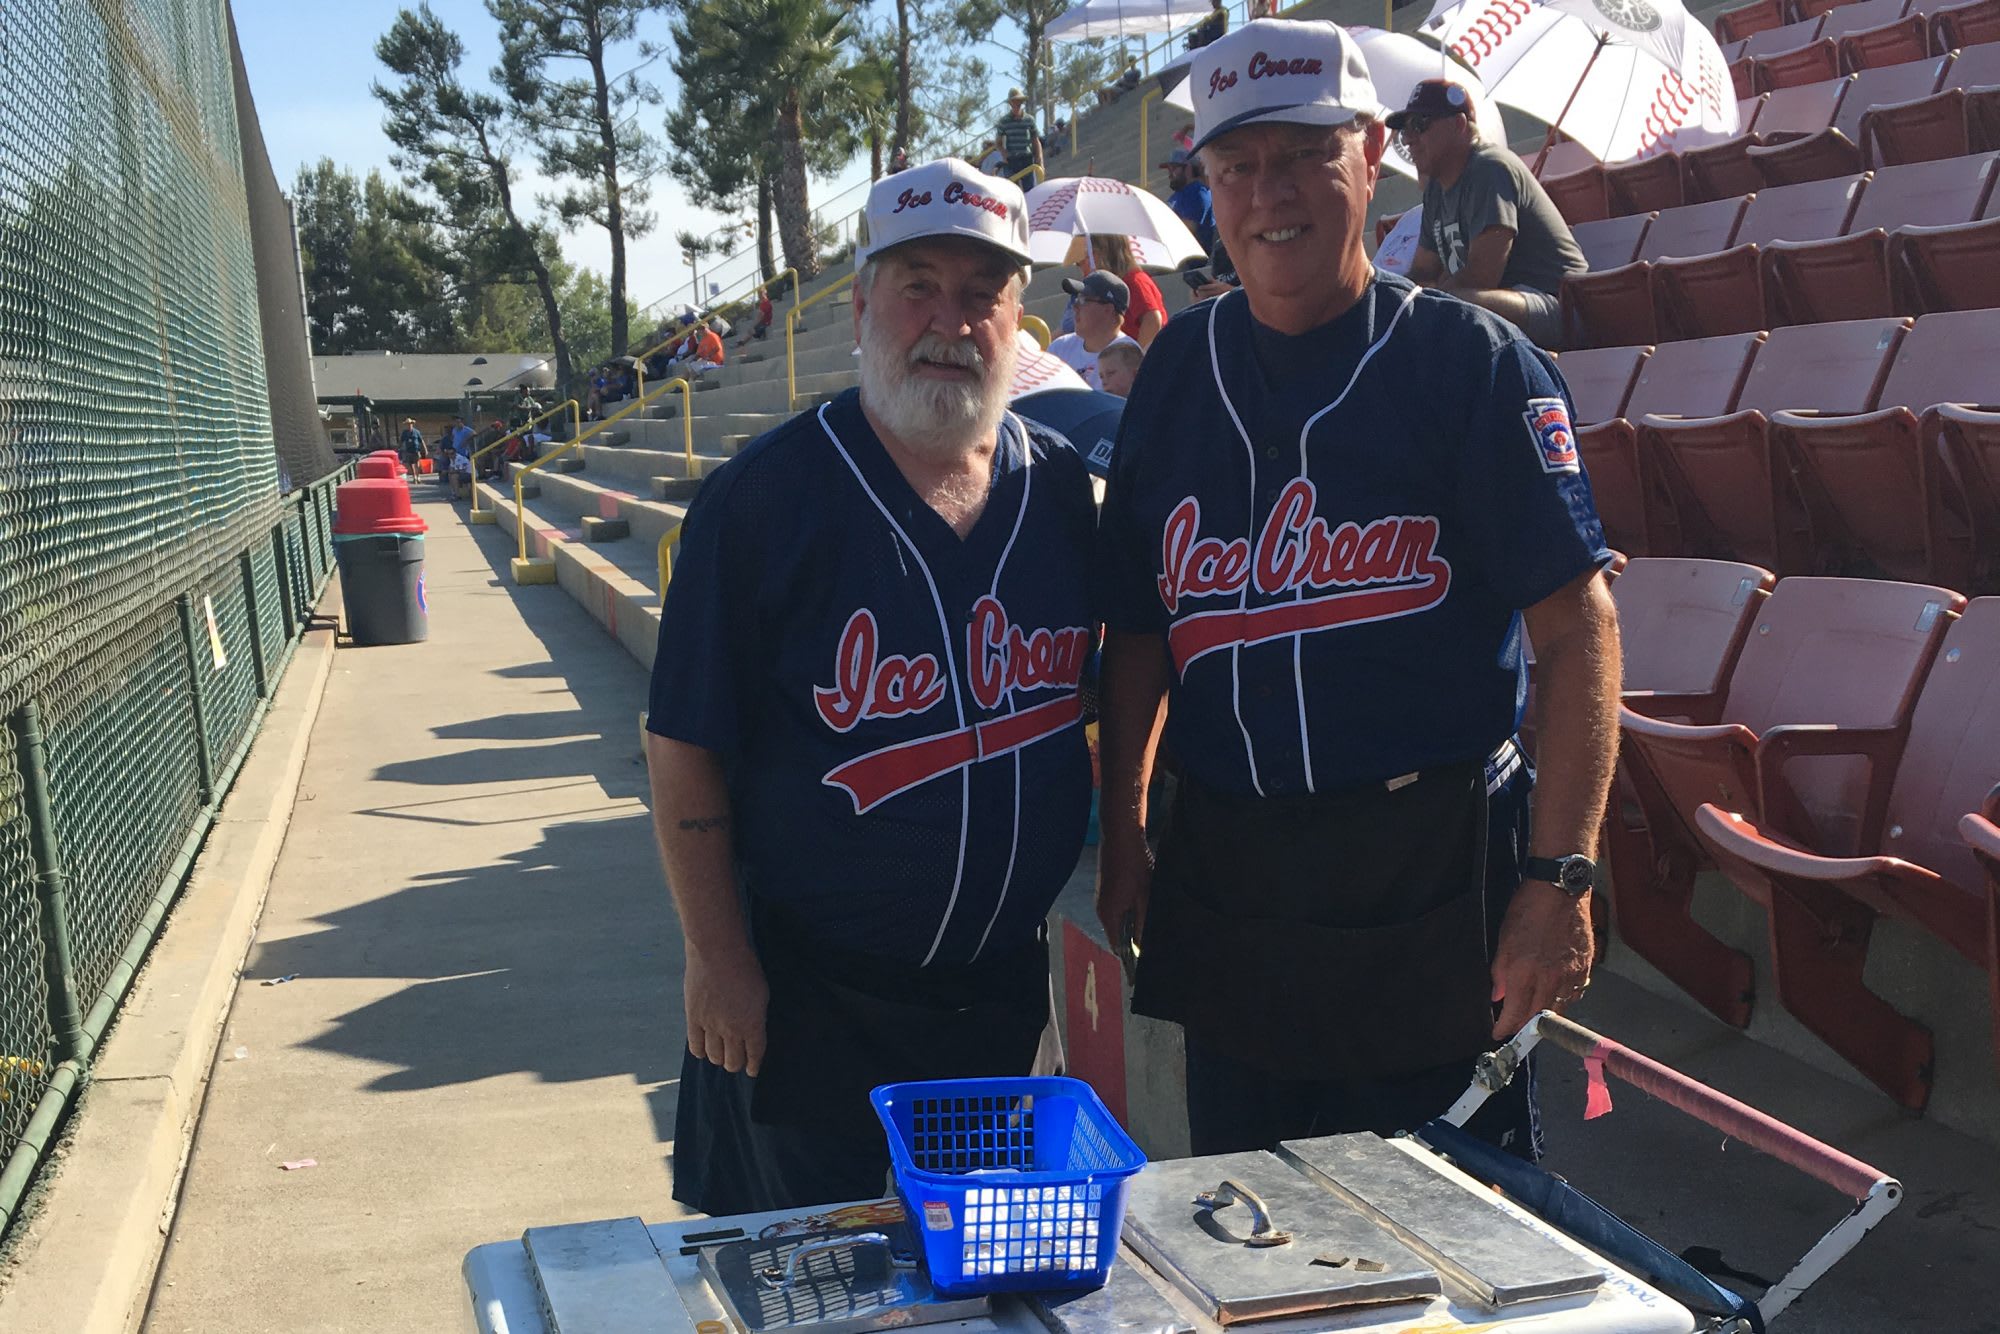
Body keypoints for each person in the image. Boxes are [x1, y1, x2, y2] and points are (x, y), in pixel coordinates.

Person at [1097, 19, 1620, 1160]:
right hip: (1231, 866)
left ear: (1370, 149)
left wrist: (1558, 878)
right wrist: (1125, 824)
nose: (1264, 193)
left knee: (1450, 1233)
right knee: (1243, 1224)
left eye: (1300, 156)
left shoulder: (1472, 365)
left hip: (1428, 865)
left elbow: (1577, 636)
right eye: (1234, 166)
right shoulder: (1176, 369)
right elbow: (1137, 631)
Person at [644, 157, 1099, 1216]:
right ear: (858, 304)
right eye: (917, 283)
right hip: (804, 993)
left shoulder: (1064, 493)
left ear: (1016, 316)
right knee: (807, 1279)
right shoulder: (761, 499)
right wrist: (715, 955)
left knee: (987, 1283)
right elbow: (682, 745)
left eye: (981, 290)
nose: (949, 318)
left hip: (993, 992)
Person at [1392, 80, 1588, 349]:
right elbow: (1422, 271)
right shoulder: (1436, 190)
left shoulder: (1489, 168)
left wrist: (1427, 298)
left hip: (1558, 307)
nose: (1410, 138)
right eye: (1405, 130)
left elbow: (1481, 276)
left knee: (1449, 306)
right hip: (1494, 305)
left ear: (1459, 125)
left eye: (1420, 124)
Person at [1049, 272, 1141, 391]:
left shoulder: (1129, 356)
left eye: (1083, 300)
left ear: (1108, 310)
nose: (1075, 307)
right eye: (1075, 299)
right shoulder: (1059, 348)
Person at [1088, 234, 1167, 349]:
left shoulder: (1134, 281)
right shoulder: (1123, 282)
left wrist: (1138, 359)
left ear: (1105, 253)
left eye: (1092, 252)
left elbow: (1152, 320)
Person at [1161, 148, 1217, 255]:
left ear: (1188, 168)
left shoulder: (1198, 192)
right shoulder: (1178, 195)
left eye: (1173, 168)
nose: (1170, 174)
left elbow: (1188, 229)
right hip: (1178, 256)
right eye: (1169, 170)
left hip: (1194, 260)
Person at [996, 90, 1043, 182]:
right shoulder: (1003, 121)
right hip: (1011, 160)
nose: (1017, 103)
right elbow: (998, 143)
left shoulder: (1029, 120)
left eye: (1019, 101)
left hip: (1027, 159)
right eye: (1015, 101)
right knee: (1011, 189)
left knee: (1029, 190)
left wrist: (1039, 158)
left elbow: (1035, 140)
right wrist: (1004, 153)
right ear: (1010, 103)